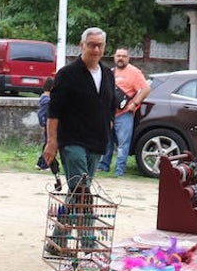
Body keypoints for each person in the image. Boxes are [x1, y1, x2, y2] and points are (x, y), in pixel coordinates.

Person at [42, 27, 116, 188]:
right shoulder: (67, 74)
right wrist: (51, 142)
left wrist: (109, 123)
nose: (96, 50)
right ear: (82, 46)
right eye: (92, 45)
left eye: (100, 45)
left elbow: (111, 106)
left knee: (84, 188)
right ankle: (84, 214)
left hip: (97, 141)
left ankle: (71, 213)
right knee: (80, 187)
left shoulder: (108, 74)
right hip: (72, 141)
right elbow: (54, 111)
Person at [97, 48, 150, 177]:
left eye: (124, 56)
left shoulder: (134, 72)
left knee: (123, 144)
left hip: (124, 114)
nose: (121, 58)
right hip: (110, 114)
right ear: (114, 57)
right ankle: (104, 166)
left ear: (128, 58)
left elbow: (146, 89)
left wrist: (135, 103)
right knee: (107, 141)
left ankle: (119, 170)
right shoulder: (110, 72)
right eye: (118, 56)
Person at [36, 75, 55, 170]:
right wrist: (43, 124)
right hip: (48, 125)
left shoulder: (44, 98)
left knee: (46, 143)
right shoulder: (47, 100)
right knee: (48, 144)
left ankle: (41, 162)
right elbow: (41, 113)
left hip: (47, 124)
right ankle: (44, 164)